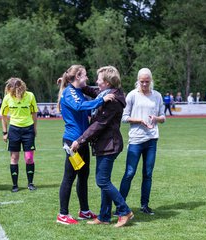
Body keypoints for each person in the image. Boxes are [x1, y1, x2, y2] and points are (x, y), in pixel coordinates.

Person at [71, 66, 134, 228]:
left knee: (102, 180)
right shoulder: (107, 94)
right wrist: (75, 82)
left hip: (109, 145)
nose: (96, 82)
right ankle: (104, 216)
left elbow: (99, 124)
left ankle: (124, 210)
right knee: (104, 180)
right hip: (104, 144)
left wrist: (80, 140)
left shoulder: (112, 100)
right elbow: (93, 93)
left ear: (106, 82)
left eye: (99, 79)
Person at [56, 64, 114, 225]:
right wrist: (101, 99)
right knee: (69, 177)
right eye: (85, 75)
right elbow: (80, 106)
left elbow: (86, 109)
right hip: (72, 142)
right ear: (77, 77)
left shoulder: (78, 92)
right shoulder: (70, 93)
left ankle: (84, 211)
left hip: (82, 141)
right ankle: (62, 214)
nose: (87, 78)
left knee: (83, 176)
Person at [119, 68, 166, 216]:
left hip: (152, 139)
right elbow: (124, 117)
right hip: (136, 140)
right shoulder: (132, 96)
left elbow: (163, 117)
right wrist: (139, 120)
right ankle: (121, 205)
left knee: (148, 174)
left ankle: (144, 205)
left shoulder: (157, 96)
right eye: (142, 81)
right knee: (129, 173)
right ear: (138, 80)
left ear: (151, 81)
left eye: (147, 81)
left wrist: (156, 119)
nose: (144, 84)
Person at [0, 78, 38, 192]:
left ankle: (30, 183)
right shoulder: (7, 98)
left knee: (29, 158)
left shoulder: (30, 96)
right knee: (14, 157)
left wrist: (35, 129)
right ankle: (15, 185)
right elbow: (4, 116)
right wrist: (5, 132)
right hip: (14, 130)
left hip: (28, 129)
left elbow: (34, 113)